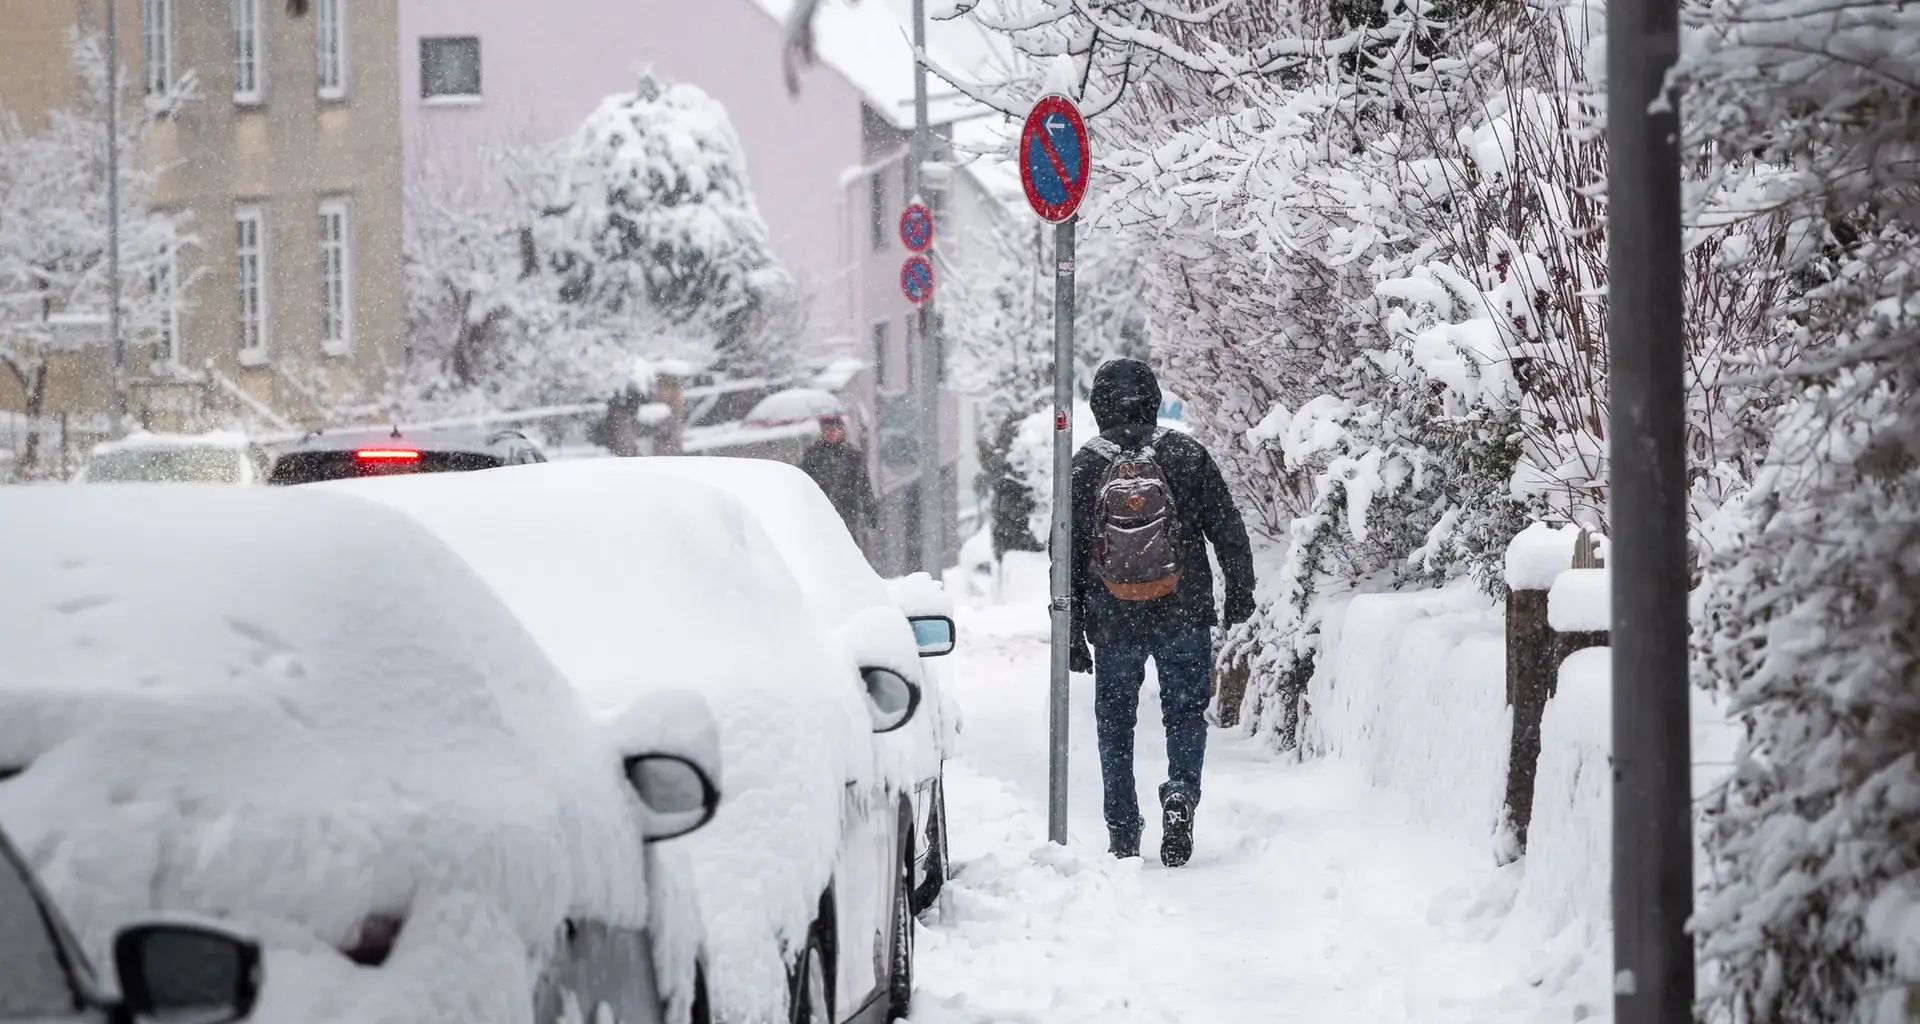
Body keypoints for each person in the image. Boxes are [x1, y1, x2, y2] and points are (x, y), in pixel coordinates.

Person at [1069, 358, 1256, 867]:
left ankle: (1123, 830)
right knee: (1183, 714)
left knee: (1114, 724)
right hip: (1184, 608)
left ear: (1097, 406)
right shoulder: (1186, 454)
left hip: (1112, 617)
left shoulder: (1085, 466)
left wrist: (1069, 630)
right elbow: (1229, 530)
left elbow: (1062, 552)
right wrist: (1239, 594)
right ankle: (1181, 793)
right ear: (1153, 399)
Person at [801, 413, 879, 545]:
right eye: (827, 430)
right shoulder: (813, 456)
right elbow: (803, 484)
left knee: (846, 545)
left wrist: (870, 512)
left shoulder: (852, 456)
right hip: (820, 514)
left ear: (842, 431)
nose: (831, 433)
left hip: (847, 512)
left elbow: (864, 486)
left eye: (835, 429)